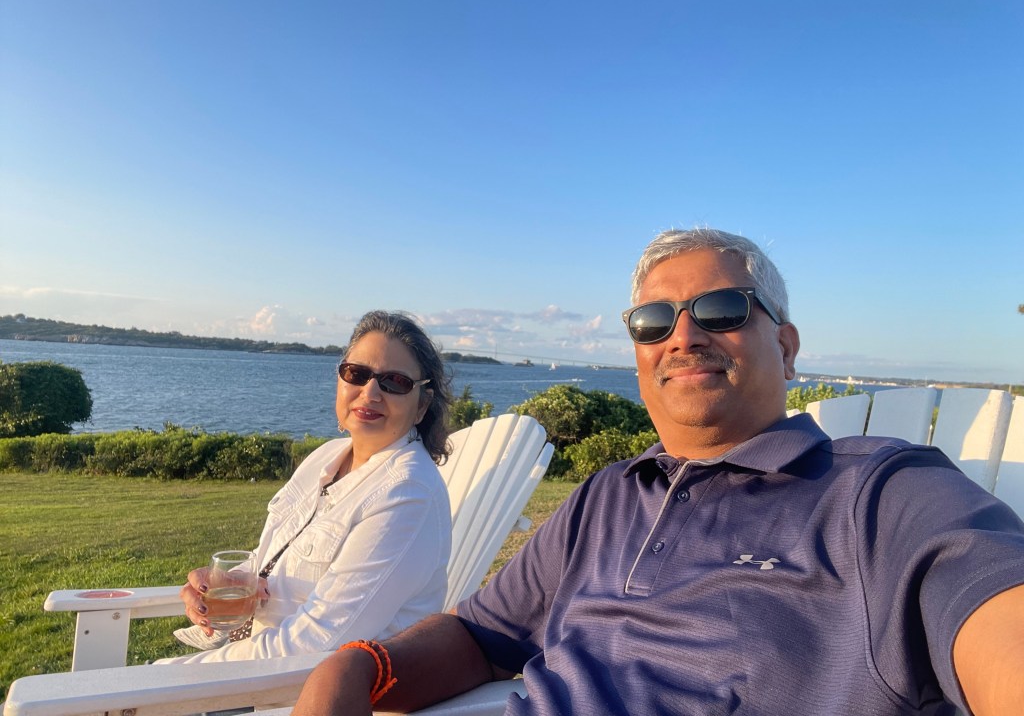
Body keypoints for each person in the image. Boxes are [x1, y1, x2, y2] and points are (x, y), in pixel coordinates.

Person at [292, 228, 1024, 715]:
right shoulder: (606, 496)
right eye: (653, 321)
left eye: (722, 310)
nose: (684, 336)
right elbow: (481, 638)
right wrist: (359, 667)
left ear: (786, 346)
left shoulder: (884, 496)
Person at [156, 310, 454, 664]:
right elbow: (278, 562)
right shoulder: (326, 458)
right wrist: (229, 583)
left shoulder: (407, 493)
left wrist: (183, 670)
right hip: (255, 664)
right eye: (356, 374)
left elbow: (319, 639)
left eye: (395, 382)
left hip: (304, 683)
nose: (370, 392)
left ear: (422, 405)